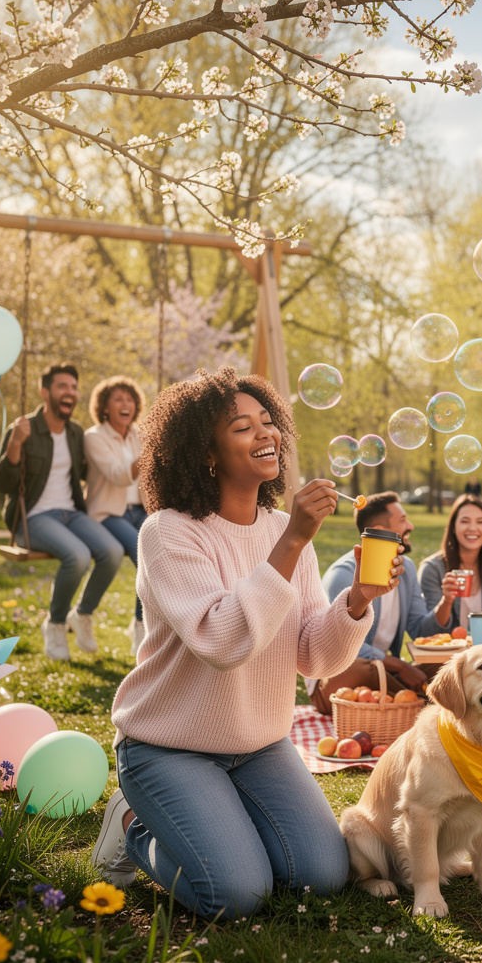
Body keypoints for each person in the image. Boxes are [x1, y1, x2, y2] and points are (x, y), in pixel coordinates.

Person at [91, 367, 391, 920]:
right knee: (236, 896)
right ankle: (134, 824)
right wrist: (294, 540)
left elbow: (313, 656)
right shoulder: (168, 532)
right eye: (242, 427)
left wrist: (355, 602)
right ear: (205, 451)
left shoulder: (282, 528)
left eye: (268, 421)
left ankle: (220, 820)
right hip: (170, 745)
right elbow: (221, 640)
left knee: (319, 877)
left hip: (258, 745)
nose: (266, 434)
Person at [0, 363, 124, 661]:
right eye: (62, 386)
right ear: (45, 392)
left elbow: (88, 472)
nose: (70, 393)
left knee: (112, 552)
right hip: (33, 517)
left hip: (70, 513)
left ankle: (82, 614)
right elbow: (4, 483)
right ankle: (55, 624)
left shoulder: (76, 433)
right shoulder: (23, 428)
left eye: (74, 387)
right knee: (77, 556)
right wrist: (15, 443)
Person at [318, 492, 435, 711]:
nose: (410, 525)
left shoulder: (407, 569)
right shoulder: (343, 574)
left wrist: (447, 600)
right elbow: (338, 642)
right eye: (402, 520)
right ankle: (421, 700)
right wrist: (396, 664)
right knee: (366, 669)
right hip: (337, 675)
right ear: (381, 533)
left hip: (385, 672)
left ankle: (415, 698)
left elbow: (420, 629)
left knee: (445, 667)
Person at [84, 375, 147, 654]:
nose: (126, 404)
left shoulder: (140, 435)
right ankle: (137, 626)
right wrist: (148, 457)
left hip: (141, 510)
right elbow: (118, 475)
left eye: (130, 399)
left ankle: (142, 626)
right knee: (142, 553)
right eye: (118, 399)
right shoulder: (94, 437)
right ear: (105, 407)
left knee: (160, 551)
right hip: (109, 513)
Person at [420, 494, 482, 631]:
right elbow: (427, 631)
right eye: (465, 521)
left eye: (480, 522)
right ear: (453, 527)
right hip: (448, 650)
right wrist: (447, 601)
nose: (473, 528)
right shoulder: (433, 569)